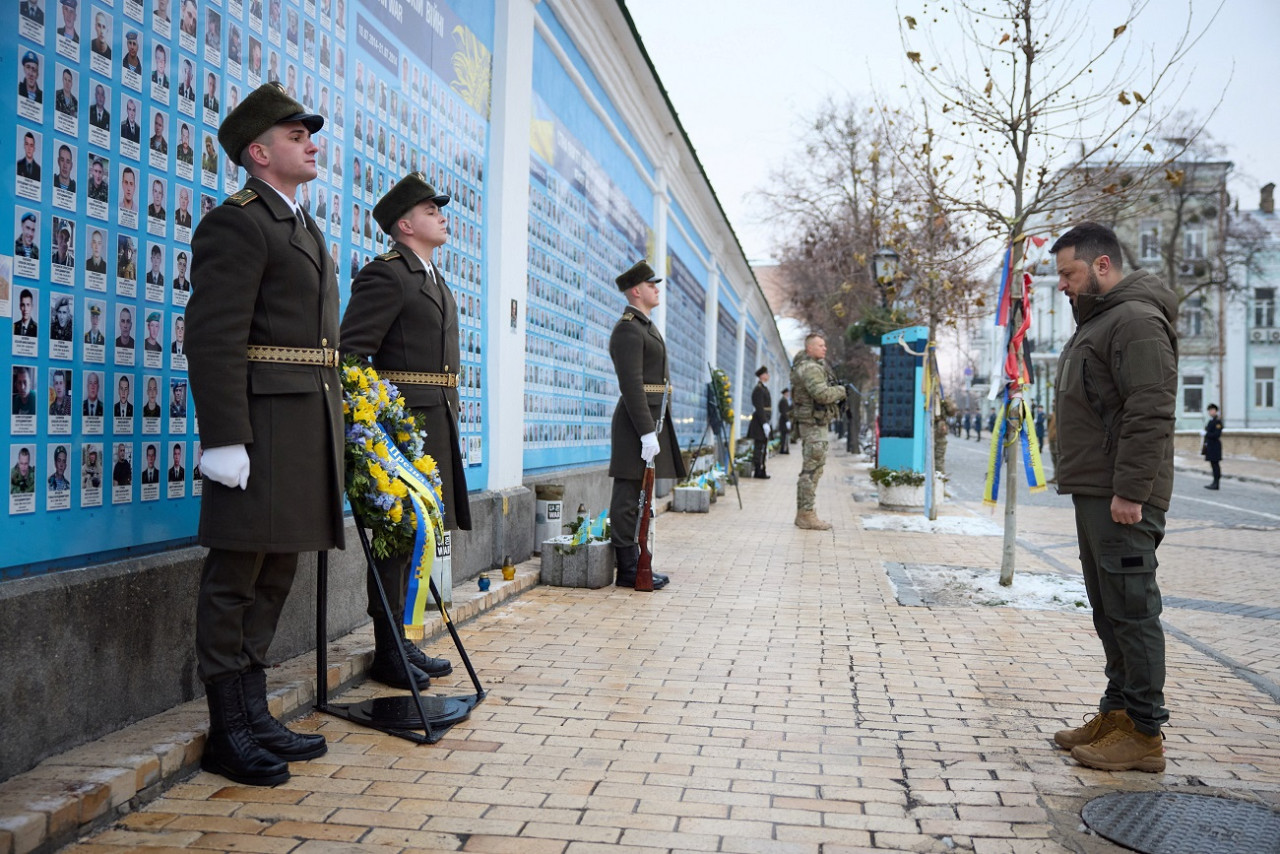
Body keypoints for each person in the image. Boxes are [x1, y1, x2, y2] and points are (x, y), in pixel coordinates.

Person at [186, 82, 339, 787]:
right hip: (257, 429)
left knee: (276, 571)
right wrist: (223, 438)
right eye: (295, 134)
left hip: (303, 428)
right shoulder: (238, 223)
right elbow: (213, 338)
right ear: (259, 152)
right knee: (235, 576)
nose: (311, 143)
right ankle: (227, 729)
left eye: (310, 133)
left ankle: (253, 715)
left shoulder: (303, 228)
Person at [1049, 221, 1177, 773]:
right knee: (1109, 610)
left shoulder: (1136, 321)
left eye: (1068, 272)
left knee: (1131, 609)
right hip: (1096, 490)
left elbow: (1150, 412)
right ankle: (1117, 713)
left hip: (1120, 496)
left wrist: (1130, 491)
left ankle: (1145, 734)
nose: (1063, 284)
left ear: (1102, 266)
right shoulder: (1101, 322)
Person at [340, 172, 468, 689]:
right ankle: (388, 650)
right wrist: (379, 421)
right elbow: (351, 353)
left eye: (440, 208)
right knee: (397, 533)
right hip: (402, 428)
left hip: (435, 420)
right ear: (404, 224)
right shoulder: (386, 275)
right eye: (429, 209)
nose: (440, 214)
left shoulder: (432, 277)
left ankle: (403, 642)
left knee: (417, 535)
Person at [607, 261, 686, 589]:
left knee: (641, 495)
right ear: (636, 291)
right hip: (635, 423)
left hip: (652, 419)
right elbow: (632, 384)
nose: (657, 289)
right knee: (628, 496)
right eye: (651, 285)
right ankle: (628, 569)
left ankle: (640, 561)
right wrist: (644, 431)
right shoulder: (628, 328)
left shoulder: (645, 326)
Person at [790, 333, 846, 530]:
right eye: (820, 345)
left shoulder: (807, 366)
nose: (825, 348)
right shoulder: (811, 369)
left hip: (814, 424)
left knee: (814, 468)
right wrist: (841, 390)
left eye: (825, 345)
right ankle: (806, 513)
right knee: (812, 469)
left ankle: (806, 512)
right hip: (813, 425)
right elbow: (821, 395)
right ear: (809, 348)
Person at [747, 366, 772, 478]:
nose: (768, 375)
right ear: (762, 376)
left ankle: (762, 469)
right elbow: (760, 407)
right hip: (759, 422)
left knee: (762, 447)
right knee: (758, 448)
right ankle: (758, 470)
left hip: (763, 421)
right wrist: (764, 423)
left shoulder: (764, 388)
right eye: (766, 373)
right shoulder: (759, 389)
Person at [1202, 403, 1222, 490]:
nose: (1211, 412)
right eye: (1209, 410)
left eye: (1212, 410)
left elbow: (1217, 434)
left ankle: (1216, 483)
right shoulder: (1211, 421)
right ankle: (1214, 482)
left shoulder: (1217, 421)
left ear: (1216, 411)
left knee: (1215, 464)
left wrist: (1206, 434)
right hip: (1210, 446)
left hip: (1215, 446)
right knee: (1213, 464)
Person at [776, 388, 792, 454]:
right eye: (787, 393)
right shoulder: (783, 401)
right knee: (784, 436)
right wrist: (787, 420)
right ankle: (783, 449)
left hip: (784, 420)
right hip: (784, 421)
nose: (788, 394)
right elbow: (784, 412)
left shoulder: (785, 400)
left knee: (784, 436)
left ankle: (784, 449)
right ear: (785, 393)